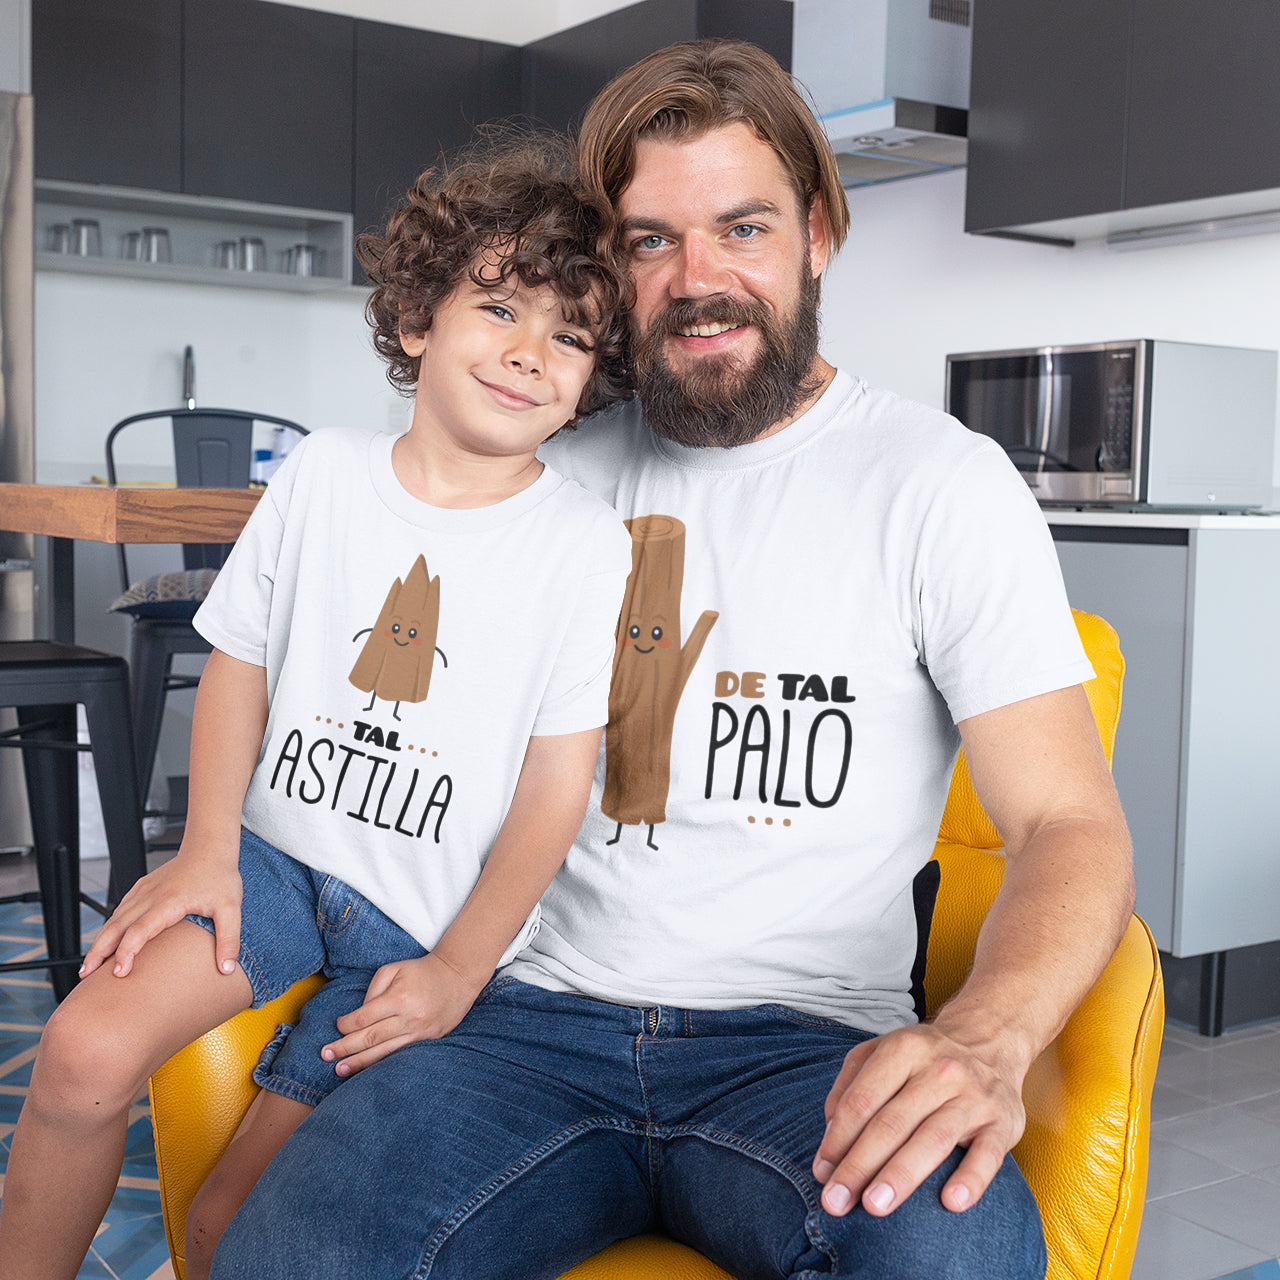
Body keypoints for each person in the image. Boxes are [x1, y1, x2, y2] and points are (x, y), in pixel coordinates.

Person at [210, 39, 1136, 1280]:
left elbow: (1070, 822)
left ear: (816, 232)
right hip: (515, 1023)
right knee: (300, 1251)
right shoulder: (536, 462)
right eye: (651, 240)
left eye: (740, 227)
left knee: (945, 1251)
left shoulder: (939, 485)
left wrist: (986, 1032)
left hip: (804, 1048)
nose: (697, 280)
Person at [0, 138, 635, 1280]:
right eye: (498, 306)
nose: (531, 351)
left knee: (227, 1225)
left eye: (571, 335)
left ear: (593, 376)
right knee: (82, 1053)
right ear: (413, 323)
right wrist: (204, 853)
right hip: (275, 871)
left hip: (425, 935)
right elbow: (238, 659)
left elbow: (556, 787)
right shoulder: (323, 474)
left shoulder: (585, 544)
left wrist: (458, 969)